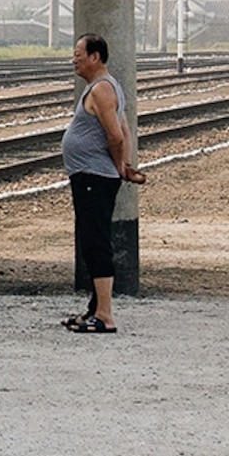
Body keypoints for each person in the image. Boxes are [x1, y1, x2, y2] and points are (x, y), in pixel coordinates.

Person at [60, 31, 146, 334]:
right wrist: (123, 166)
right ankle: (94, 310)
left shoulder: (102, 90)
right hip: (93, 175)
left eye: (78, 55)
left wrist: (117, 166)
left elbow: (116, 135)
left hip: (94, 177)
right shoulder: (107, 88)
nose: (74, 60)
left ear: (95, 57)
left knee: (97, 243)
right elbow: (124, 128)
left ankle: (105, 316)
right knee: (92, 241)